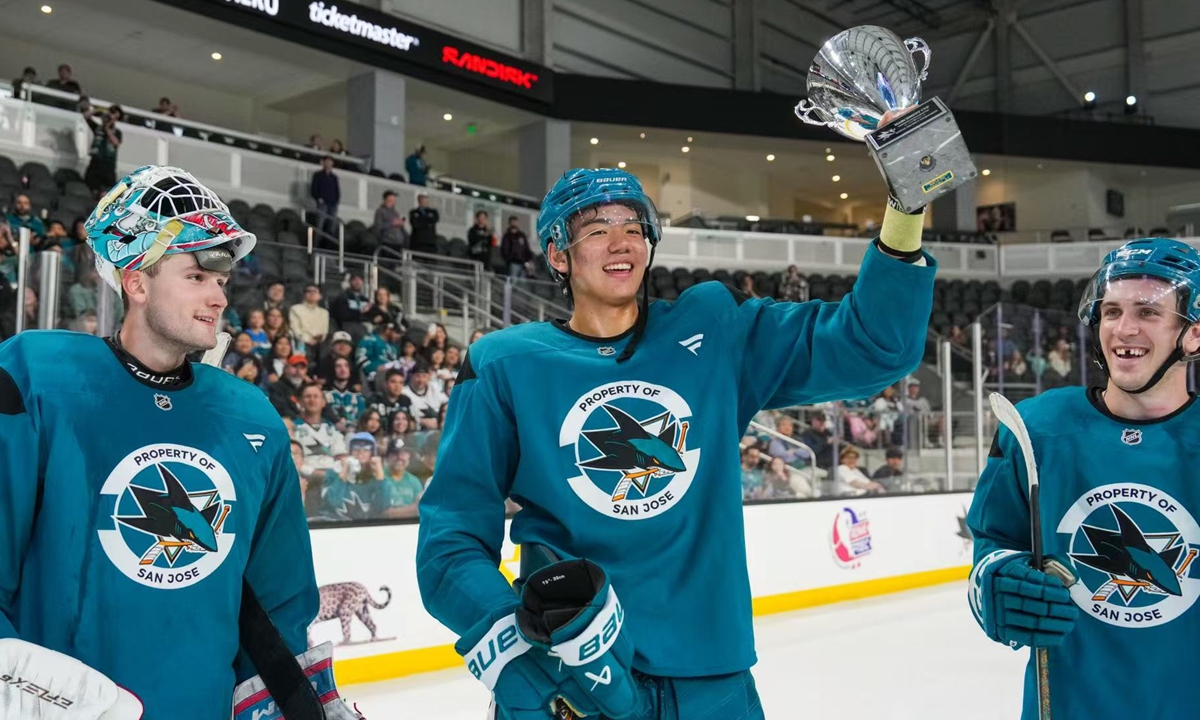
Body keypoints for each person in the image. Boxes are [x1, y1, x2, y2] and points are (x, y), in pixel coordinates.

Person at [416, 166, 935, 719]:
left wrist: (906, 206)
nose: (621, 242)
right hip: (573, 678)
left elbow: (874, 347)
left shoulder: (714, 327)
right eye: (596, 229)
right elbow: (450, 539)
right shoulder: (504, 364)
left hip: (712, 681)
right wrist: (512, 643)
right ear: (558, 254)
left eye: (633, 227)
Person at [0, 165, 358, 719]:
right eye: (196, 276)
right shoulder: (38, 379)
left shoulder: (250, 416)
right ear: (137, 282)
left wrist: (293, 705)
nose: (218, 296)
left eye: (222, 281)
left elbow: (278, 602)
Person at [967, 237, 1200, 720]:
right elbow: (993, 539)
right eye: (1111, 311)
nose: (1124, 328)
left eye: (1148, 312)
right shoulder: (1036, 428)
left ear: (1194, 335)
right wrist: (996, 579)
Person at [82, 101, 123, 196]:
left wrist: (107, 127)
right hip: (95, 163)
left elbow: (116, 142)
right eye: (111, 113)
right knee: (91, 188)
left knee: (106, 193)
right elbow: (86, 116)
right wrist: (98, 110)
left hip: (108, 165)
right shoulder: (97, 128)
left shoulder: (117, 132)